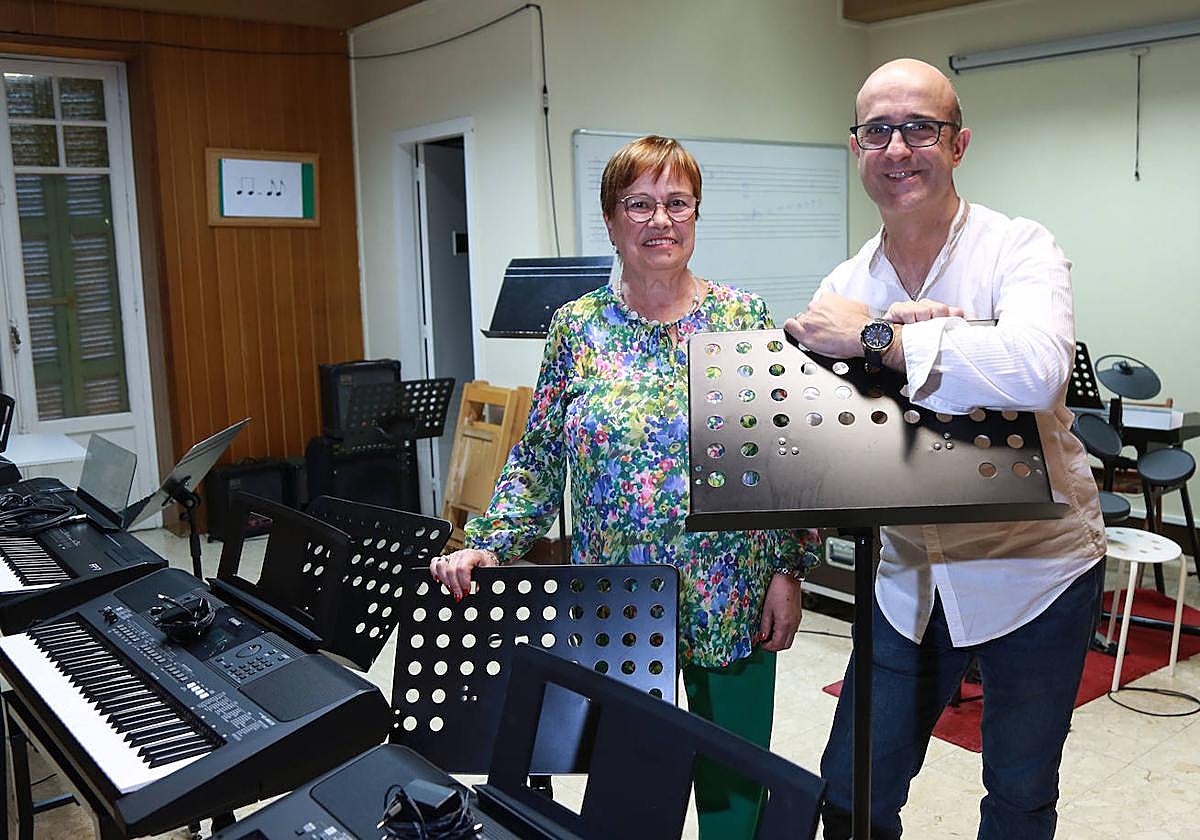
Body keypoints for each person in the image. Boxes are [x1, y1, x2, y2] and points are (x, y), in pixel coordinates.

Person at [432, 135, 821, 839]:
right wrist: (486, 545)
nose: (660, 220)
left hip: (729, 584)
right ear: (611, 222)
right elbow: (540, 457)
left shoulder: (742, 319)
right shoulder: (576, 329)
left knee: (734, 791)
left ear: (696, 217)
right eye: (639, 204)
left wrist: (788, 570)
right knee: (632, 781)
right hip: (618, 595)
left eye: (677, 203)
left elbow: (779, 463)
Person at [785, 59, 1105, 839]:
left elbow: (1033, 369)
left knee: (1019, 794)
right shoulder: (846, 278)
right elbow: (828, 423)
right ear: (855, 147)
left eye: (919, 128)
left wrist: (882, 338)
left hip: (1037, 567)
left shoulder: (1019, 248)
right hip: (908, 578)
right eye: (878, 131)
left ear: (957, 144)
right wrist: (897, 342)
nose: (898, 148)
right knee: (852, 791)